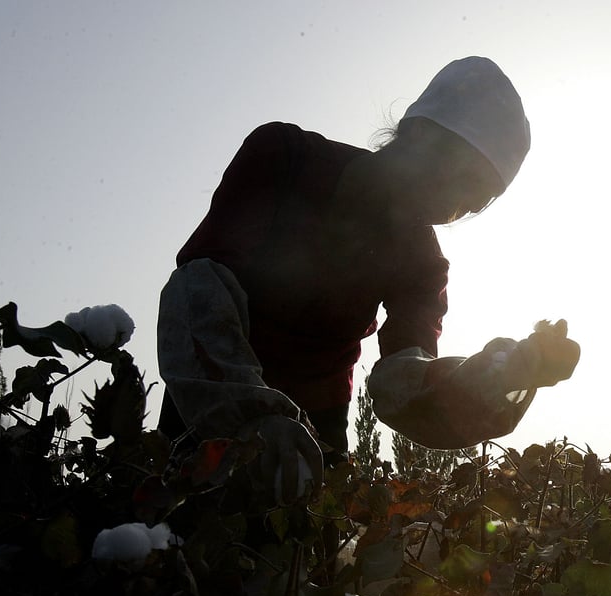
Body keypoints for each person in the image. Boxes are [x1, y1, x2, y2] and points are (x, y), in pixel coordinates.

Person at [156, 56, 580, 506]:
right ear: (420, 134)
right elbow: (200, 286)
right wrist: (250, 416)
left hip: (317, 435)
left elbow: (405, 379)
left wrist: (507, 374)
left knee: (287, 563)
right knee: (166, 541)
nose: (451, 209)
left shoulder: (423, 263)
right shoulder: (285, 158)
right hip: (206, 410)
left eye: (472, 204)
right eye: (461, 182)